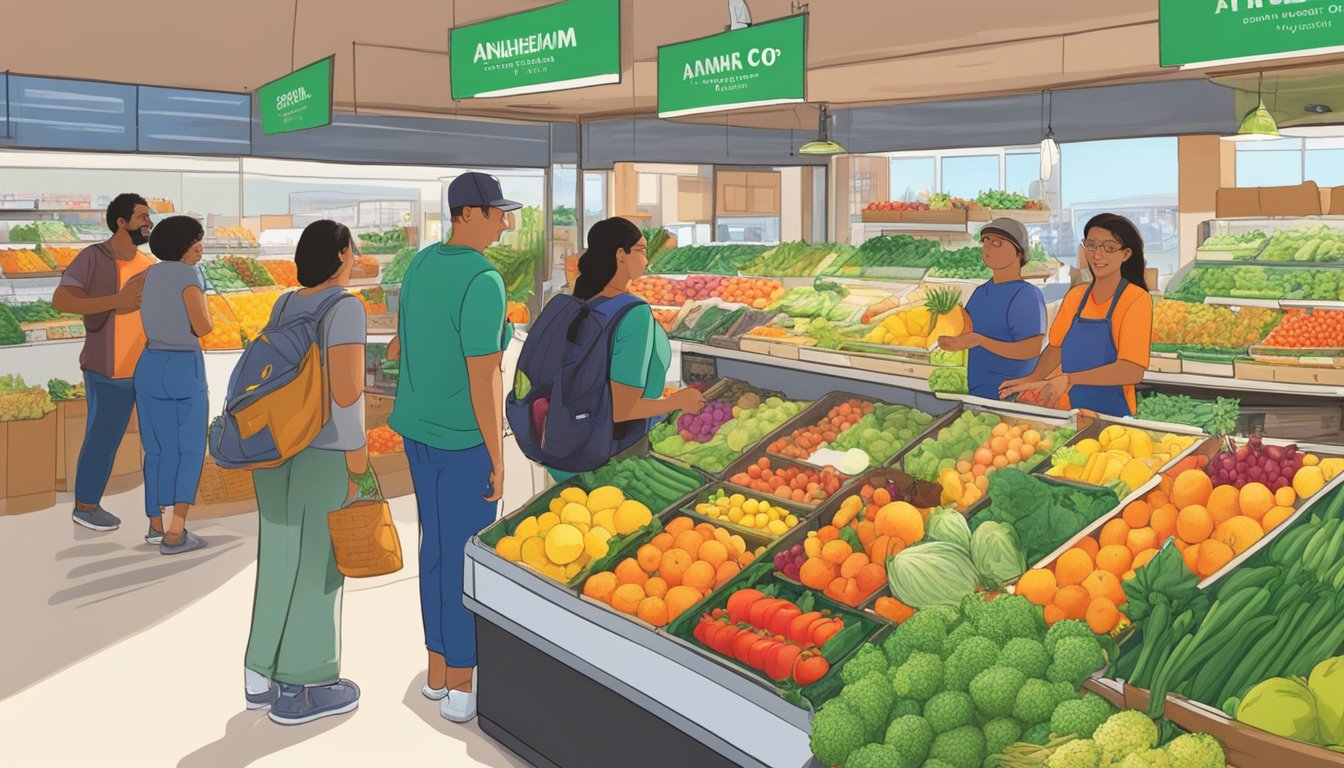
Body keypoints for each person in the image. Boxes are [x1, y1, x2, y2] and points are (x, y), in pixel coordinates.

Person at [389, 172, 516, 724]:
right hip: (463, 440)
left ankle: (438, 671)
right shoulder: (483, 279)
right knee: (466, 556)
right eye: (496, 214)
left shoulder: (421, 264)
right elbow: (484, 377)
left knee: (435, 548)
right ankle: (463, 684)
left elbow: (401, 342)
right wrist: (498, 456)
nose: (505, 223)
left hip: (417, 429)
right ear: (467, 213)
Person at [243, 220, 368, 725]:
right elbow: (346, 393)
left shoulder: (285, 303)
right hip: (324, 449)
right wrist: (358, 455)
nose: (356, 257)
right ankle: (302, 687)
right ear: (340, 254)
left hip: (275, 446)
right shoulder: (346, 307)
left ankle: (260, 674)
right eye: (353, 249)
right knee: (318, 564)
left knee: (277, 554)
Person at [546, 216, 707, 484]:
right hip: (610, 457)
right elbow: (622, 409)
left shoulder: (577, 301)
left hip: (569, 445)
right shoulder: (633, 314)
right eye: (641, 251)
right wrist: (677, 402)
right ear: (621, 255)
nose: (646, 260)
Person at [53, 193, 154, 535]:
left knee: (150, 441)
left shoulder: (148, 264)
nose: (148, 223)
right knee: (103, 437)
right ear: (121, 222)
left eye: (148, 217)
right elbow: (62, 299)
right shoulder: (93, 257)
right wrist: (117, 301)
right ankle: (86, 506)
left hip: (146, 366)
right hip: (108, 369)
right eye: (142, 217)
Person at [1000, 213, 1152, 417]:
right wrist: (1033, 377)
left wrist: (1069, 379)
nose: (1097, 255)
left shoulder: (1135, 299)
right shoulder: (1076, 297)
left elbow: (1131, 370)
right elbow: (1056, 348)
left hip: (1113, 418)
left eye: (1108, 247)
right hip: (1070, 413)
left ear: (1125, 254)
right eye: (1091, 245)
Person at [137, 216, 212, 554]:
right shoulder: (188, 275)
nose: (200, 247)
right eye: (195, 241)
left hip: (150, 363)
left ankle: (155, 524)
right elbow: (202, 326)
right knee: (189, 448)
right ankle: (176, 531)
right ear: (182, 245)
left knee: (157, 449)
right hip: (183, 366)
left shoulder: (151, 273)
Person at [937, 217, 1046, 401]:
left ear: (1020, 252)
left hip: (1011, 397)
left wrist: (979, 340)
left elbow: (1031, 349)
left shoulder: (1027, 295)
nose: (988, 248)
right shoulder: (980, 292)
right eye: (986, 242)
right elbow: (967, 332)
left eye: (998, 243)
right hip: (976, 393)